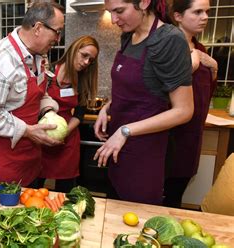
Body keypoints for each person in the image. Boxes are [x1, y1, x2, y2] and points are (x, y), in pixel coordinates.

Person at [93, 0, 194, 205]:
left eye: (119, 11)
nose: (113, 20)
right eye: (110, 12)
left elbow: (184, 110)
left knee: (138, 221)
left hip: (144, 153)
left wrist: (125, 131)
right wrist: (108, 106)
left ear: (145, 2)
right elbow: (134, 85)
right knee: (114, 214)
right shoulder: (129, 36)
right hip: (117, 149)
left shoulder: (170, 40)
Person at [0, 1, 65, 187]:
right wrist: (28, 131)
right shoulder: (2, 59)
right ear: (38, 28)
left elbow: (38, 94)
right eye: (57, 31)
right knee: (2, 202)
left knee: (26, 195)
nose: (58, 39)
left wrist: (48, 111)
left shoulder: (37, 54)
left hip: (25, 144)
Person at [163, 0, 218, 208]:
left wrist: (214, 67)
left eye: (206, 12)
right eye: (197, 12)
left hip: (192, 137)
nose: (205, 17)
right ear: (178, 16)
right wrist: (192, 63)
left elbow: (204, 93)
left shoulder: (200, 48)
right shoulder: (168, 47)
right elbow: (160, 93)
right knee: (165, 198)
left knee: (176, 195)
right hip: (170, 138)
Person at [36, 35, 100, 193]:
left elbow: (79, 114)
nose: (86, 62)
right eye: (84, 55)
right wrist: (47, 132)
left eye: (90, 60)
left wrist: (64, 132)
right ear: (73, 49)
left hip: (67, 138)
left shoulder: (82, 79)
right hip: (41, 136)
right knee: (34, 186)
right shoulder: (47, 72)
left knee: (65, 191)